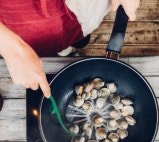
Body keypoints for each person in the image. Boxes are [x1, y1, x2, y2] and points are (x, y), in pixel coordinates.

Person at [0, 0, 140, 99]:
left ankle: (68, 48)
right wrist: (11, 48)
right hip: (15, 27)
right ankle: (66, 50)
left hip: (77, 11)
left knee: (79, 38)